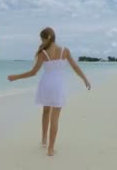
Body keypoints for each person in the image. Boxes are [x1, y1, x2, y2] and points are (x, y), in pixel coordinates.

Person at [7, 27, 90, 156]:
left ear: (46, 38)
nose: (41, 42)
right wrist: (85, 79)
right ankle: (50, 149)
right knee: (55, 118)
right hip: (58, 86)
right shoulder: (65, 51)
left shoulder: (43, 52)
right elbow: (75, 66)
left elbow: (33, 72)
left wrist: (15, 77)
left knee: (46, 112)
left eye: (42, 39)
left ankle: (44, 139)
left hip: (46, 84)